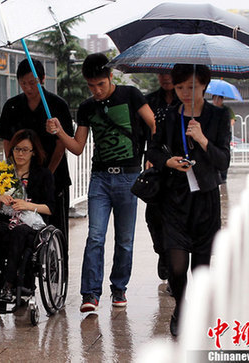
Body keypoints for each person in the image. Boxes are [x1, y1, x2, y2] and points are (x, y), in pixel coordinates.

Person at [47, 53, 156, 312]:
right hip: (100, 179)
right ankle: (90, 294)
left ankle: (119, 288)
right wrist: (60, 131)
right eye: (91, 86)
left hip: (129, 177)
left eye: (101, 85)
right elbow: (77, 147)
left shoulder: (131, 95)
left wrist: (151, 158)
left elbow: (154, 124)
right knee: (95, 236)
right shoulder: (86, 108)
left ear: (111, 77)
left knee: (125, 240)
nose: (96, 91)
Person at [146, 64, 231, 336]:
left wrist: (203, 140)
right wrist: (168, 161)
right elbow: (154, 151)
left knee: (202, 266)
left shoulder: (217, 116)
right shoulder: (169, 116)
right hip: (174, 199)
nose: (185, 92)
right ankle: (181, 306)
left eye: (191, 87)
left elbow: (223, 160)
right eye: (180, 87)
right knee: (177, 265)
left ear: (204, 85)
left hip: (205, 200)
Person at [0, 58, 74, 261]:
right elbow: (7, 140)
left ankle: (58, 265)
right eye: (24, 83)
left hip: (53, 176)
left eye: (33, 83)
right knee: (17, 224)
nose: (29, 88)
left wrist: (47, 173)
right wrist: (13, 171)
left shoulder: (57, 105)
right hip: (21, 176)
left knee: (55, 224)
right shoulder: (12, 106)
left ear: (43, 79)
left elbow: (61, 144)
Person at [0, 129, 55, 301]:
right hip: (6, 222)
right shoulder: (4, 172)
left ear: (33, 152)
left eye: (25, 150)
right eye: (17, 149)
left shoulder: (43, 175)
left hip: (31, 226)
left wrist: (28, 205)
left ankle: (9, 284)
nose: (20, 153)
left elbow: (50, 208)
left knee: (19, 233)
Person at [144, 73, 180, 282]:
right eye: (161, 73)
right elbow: (142, 133)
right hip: (155, 165)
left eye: (170, 73)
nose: (166, 78)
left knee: (174, 218)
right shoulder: (150, 101)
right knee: (153, 216)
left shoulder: (186, 101)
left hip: (179, 167)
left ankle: (174, 262)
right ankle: (162, 253)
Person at [211, 95, 236, 182]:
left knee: (223, 153)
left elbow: (233, 119)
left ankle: (223, 175)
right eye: (215, 98)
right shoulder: (210, 109)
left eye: (219, 99)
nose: (217, 101)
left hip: (224, 135)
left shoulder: (226, 110)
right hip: (213, 135)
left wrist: (225, 125)